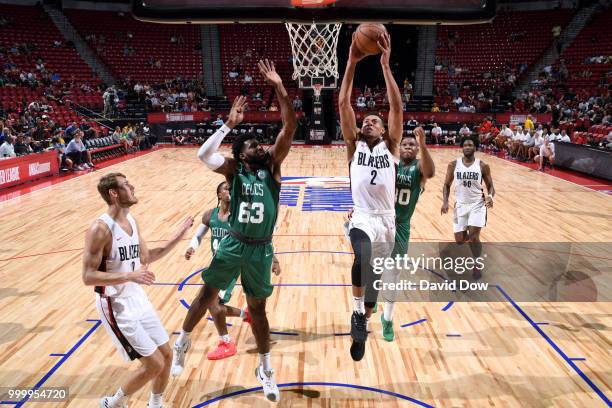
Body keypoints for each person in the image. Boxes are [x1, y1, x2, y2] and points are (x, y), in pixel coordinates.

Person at [175, 59, 296, 402]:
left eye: (261, 145)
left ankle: (265, 367)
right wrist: (228, 125)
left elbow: (289, 127)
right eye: (254, 146)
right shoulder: (233, 172)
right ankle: (182, 341)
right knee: (206, 296)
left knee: (258, 310)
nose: (261, 147)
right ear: (242, 156)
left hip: (261, 248)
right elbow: (203, 154)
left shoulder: (272, 167)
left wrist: (279, 87)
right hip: (233, 243)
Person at [82, 172, 193, 408]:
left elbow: (147, 256)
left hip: (136, 297)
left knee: (167, 356)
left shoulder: (132, 221)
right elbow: (88, 276)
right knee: (154, 364)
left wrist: (179, 236)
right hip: (115, 304)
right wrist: (130, 275)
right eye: (125, 185)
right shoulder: (100, 229)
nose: (132, 186)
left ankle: (155, 404)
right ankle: (114, 403)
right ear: (113, 193)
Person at [339, 31, 402, 362]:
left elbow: (395, 105)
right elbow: (343, 103)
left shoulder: (392, 147)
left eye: (374, 121)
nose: (367, 123)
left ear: (384, 130)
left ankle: (363, 319)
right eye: (365, 121)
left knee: (373, 282)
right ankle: (355, 313)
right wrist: (350, 62)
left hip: (387, 221)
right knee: (361, 257)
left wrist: (385, 66)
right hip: (362, 216)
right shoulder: (354, 146)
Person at [172, 181, 281, 368]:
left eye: (232, 188)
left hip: (236, 263)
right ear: (219, 195)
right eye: (225, 188)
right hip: (220, 262)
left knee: (212, 303)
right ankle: (244, 316)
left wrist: (274, 259)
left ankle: (226, 341)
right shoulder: (210, 215)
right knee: (212, 304)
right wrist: (192, 247)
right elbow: (198, 235)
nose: (230, 190)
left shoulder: (240, 216)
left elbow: (257, 239)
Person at [379, 127, 435, 341]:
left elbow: (430, 173)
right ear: (399, 147)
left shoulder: (419, 168)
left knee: (392, 277)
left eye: (413, 145)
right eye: (405, 144)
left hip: (401, 226)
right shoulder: (390, 164)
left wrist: (424, 145)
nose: (409, 147)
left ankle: (388, 319)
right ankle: (371, 300)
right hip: (381, 221)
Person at [441, 137, 495, 279]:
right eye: (465, 145)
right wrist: (445, 202)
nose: (467, 147)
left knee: (473, 236)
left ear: (475, 148)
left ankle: (477, 264)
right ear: (461, 148)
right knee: (459, 240)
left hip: (477, 205)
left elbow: (491, 187)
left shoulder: (482, 166)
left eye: (470, 144)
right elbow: (446, 185)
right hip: (460, 205)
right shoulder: (453, 165)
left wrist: (490, 197)